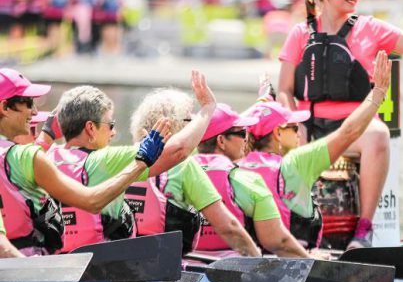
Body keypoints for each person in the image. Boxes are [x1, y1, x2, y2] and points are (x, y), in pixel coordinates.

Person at [277, 0, 403, 247]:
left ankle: (363, 230)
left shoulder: (371, 28)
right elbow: (284, 89)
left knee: (379, 136)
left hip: (357, 126)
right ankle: (286, 227)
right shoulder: (299, 33)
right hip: (309, 125)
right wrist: (290, 122)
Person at [0, 68, 167, 255]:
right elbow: (92, 202)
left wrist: (46, 137)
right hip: (30, 273)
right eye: (29, 103)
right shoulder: (29, 157)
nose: (35, 111)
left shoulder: (35, 155)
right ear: (5, 107)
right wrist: (141, 162)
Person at [47, 70, 216, 252]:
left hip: (54, 266)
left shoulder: (43, 157)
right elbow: (179, 149)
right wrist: (207, 108)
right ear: (90, 128)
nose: (113, 133)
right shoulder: (105, 160)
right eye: (110, 125)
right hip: (101, 270)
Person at [251, 50, 392, 249]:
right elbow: (348, 133)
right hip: (293, 255)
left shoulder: (240, 166)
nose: (300, 130)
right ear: (277, 134)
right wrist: (378, 92)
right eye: (293, 126)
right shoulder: (296, 162)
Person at [126, 90, 260, 256]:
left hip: (121, 265)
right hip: (165, 269)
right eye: (191, 121)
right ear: (173, 125)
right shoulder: (184, 166)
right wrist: (257, 262)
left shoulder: (121, 156)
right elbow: (228, 228)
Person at [195, 103, 310, 258]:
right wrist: (313, 265)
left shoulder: (173, 175)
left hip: (183, 273)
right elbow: (279, 242)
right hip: (234, 274)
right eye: (242, 133)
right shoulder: (248, 181)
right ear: (221, 141)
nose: (246, 140)